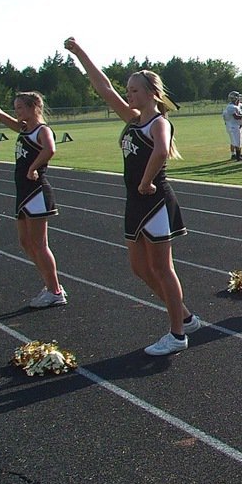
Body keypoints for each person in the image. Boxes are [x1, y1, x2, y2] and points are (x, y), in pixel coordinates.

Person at [64, 37, 204, 356]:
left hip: (153, 199)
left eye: (135, 91)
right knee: (139, 268)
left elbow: (160, 150)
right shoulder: (132, 119)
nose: (129, 95)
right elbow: (103, 89)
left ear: (152, 93)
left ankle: (177, 334)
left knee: (162, 268)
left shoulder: (159, 122)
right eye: (128, 91)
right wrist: (80, 54)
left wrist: (145, 181)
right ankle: (184, 316)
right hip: (135, 200)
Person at [0, 78, 68, 308]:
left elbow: (50, 149)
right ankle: (50, 284)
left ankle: (55, 291)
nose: (16, 111)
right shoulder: (22, 129)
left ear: (33, 108)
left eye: (20, 107)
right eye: (16, 107)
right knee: (25, 242)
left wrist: (32, 168)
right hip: (23, 193)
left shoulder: (42, 130)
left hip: (36, 192)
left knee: (39, 244)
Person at [223, 91, 242, 160]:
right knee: (236, 142)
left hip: (239, 125)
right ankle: (237, 157)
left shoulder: (240, 105)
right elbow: (236, 117)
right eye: (238, 97)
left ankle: (238, 154)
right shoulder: (231, 107)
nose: (239, 98)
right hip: (233, 126)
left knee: (240, 141)